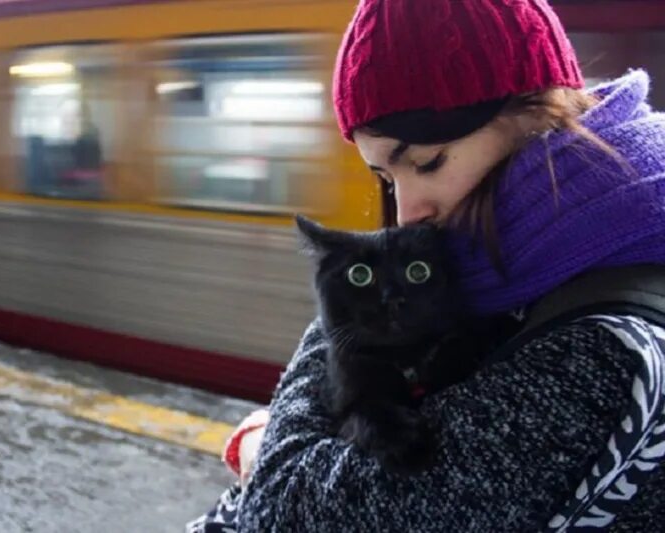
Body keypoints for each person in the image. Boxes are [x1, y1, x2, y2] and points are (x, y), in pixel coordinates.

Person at [187, 0, 665, 531]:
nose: (408, 210)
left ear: (535, 111)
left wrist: (264, 441)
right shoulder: (519, 268)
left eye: (427, 163)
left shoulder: (605, 350)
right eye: (388, 180)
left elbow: (287, 514)